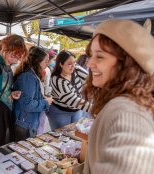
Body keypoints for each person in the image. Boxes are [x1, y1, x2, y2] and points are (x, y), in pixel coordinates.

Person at [83, 19, 154, 174]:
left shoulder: (127, 112)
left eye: (99, 56)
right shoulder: (126, 103)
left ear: (127, 64)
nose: (89, 64)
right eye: (91, 55)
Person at [13, 46, 53, 140]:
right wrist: (46, 102)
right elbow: (27, 104)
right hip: (25, 123)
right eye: (46, 61)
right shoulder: (28, 77)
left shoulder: (32, 74)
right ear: (37, 61)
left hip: (27, 122)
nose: (48, 64)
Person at [47, 50, 92, 130]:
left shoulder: (76, 69)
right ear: (61, 64)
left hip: (76, 111)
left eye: (74, 62)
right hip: (60, 112)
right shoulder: (57, 80)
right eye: (69, 64)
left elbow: (92, 80)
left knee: (75, 135)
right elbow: (72, 100)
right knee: (61, 137)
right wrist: (95, 108)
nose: (73, 66)